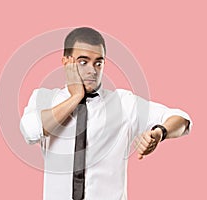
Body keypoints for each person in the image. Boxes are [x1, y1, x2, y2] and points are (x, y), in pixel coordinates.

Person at [20, 27, 192, 200]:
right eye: (83, 62)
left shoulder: (123, 103)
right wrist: (76, 97)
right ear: (66, 62)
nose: (92, 70)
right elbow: (30, 131)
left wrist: (159, 133)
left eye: (98, 63)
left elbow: (182, 120)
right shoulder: (43, 97)